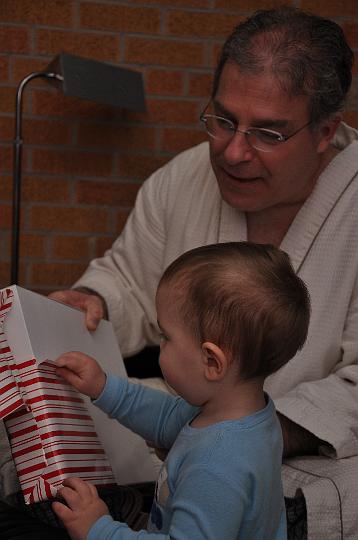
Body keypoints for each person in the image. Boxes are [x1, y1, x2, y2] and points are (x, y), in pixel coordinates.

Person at [1, 5, 358, 539]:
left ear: (326, 130)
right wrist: (90, 301)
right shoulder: (183, 177)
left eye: (267, 133)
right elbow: (126, 278)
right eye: (222, 119)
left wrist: (241, 432)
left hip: (304, 450)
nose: (233, 151)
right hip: (196, 417)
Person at [52, 242, 310, 540]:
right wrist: (103, 387)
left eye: (166, 336)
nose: (160, 343)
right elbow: (164, 417)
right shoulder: (244, 413)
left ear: (212, 362)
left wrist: (99, 529)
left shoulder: (217, 465)